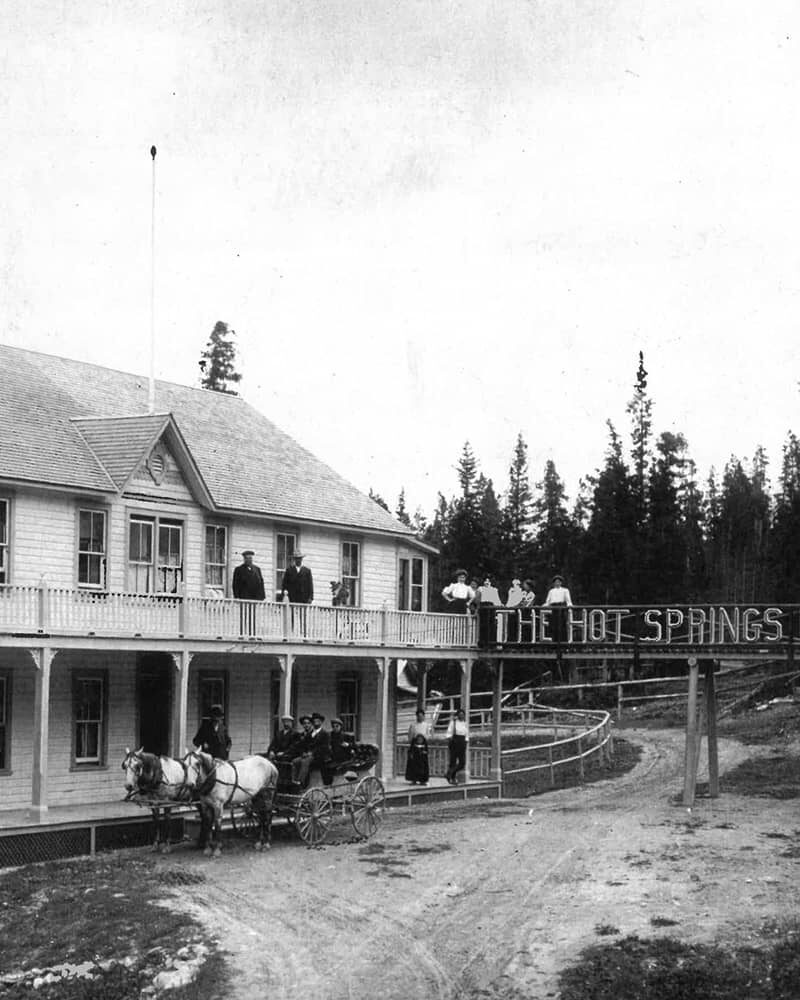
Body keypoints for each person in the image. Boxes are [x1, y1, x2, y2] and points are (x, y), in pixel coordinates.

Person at [290, 711, 330, 788]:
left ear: (321, 722)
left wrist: (312, 753)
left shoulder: (324, 733)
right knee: (295, 761)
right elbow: (304, 744)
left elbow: (324, 747)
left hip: (320, 756)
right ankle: (293, 780)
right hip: (309, 755)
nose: (316, 723)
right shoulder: (311, 733)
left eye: (318, 721)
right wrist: (304, 752)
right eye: (314, 721)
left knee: (305, 761)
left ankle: (300, 782)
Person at [232, 549, 266, 635]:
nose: (249, 560)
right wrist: (237, 597)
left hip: (254, 598)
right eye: (247, 558)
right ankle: (243, 633)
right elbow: (235, 584)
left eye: (250, 558)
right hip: (244, 597)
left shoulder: (257, 569)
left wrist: (261, 596)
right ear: (244, 559)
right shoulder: (239, 570)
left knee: (252, 616)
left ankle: (252, 634)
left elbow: (261, 583)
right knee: (244, 616)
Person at [544, 574, 573, 644]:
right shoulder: (551, 591)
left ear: (561, 583)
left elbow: (568, 600)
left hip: (561, 608)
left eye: (559, 582)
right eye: (556, 582)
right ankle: (554, 643)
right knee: (553, 626)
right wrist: (544, 606)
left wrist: (569, 606)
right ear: (554, 583)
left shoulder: (565, 590)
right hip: (553, 608)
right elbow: (548, 601)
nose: (557, 583)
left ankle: (563, 644)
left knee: (561, 626)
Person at [474, 576, 502, 647]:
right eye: (485, 581)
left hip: (491, 607)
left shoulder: (494, 590)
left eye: (488, 581)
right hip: (483, 607)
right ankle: (483, 643)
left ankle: (491, 643)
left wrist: (500, 605)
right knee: (483, 625)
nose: (487, 583)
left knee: (491, 625)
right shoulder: (480, 589)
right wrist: (477, 608)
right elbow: (477, 600)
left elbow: (497, 600)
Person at [445, 708, 469, 784]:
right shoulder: (453, 723)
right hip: (455, 742)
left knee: (462, 763)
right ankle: (452, 777)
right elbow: (449, 733)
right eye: (460, 714)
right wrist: (450, 740)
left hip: (462, 742)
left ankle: (449, 773)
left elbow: (467, 734)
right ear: (457, 715)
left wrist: (466, 741)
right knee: (453, 761)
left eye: (463, 715)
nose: (461, 716)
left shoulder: (465, 723)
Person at [505, 578, 524, 642]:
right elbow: (509, 600)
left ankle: (516, 640)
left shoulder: (521, 592)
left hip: (516, 611)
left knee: (516, 627)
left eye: (517, 584)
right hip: (510, 610)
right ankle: (509, 640)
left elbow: (519, 601)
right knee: (510, 627)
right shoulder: (511, 591)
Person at [518, 578, 536, 642]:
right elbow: (520, 601)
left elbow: (528, 603)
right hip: (521, 611)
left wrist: (523, 603)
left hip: (528, 612)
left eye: (525, 585)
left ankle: (528, 641)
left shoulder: (532, 594)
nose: (524, 586)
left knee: (527, 627)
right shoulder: (523, 593)